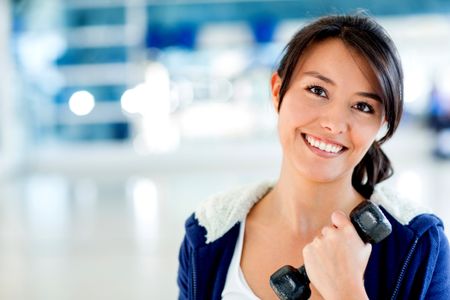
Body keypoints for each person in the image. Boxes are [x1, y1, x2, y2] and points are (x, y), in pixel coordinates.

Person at [177, 13, 450, 300]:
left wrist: (346, 290)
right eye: (317, 90)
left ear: (381, 124)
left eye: (363, 106)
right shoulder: (208, 234)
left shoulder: (419, 246)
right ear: (277, 91)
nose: (334, 123)